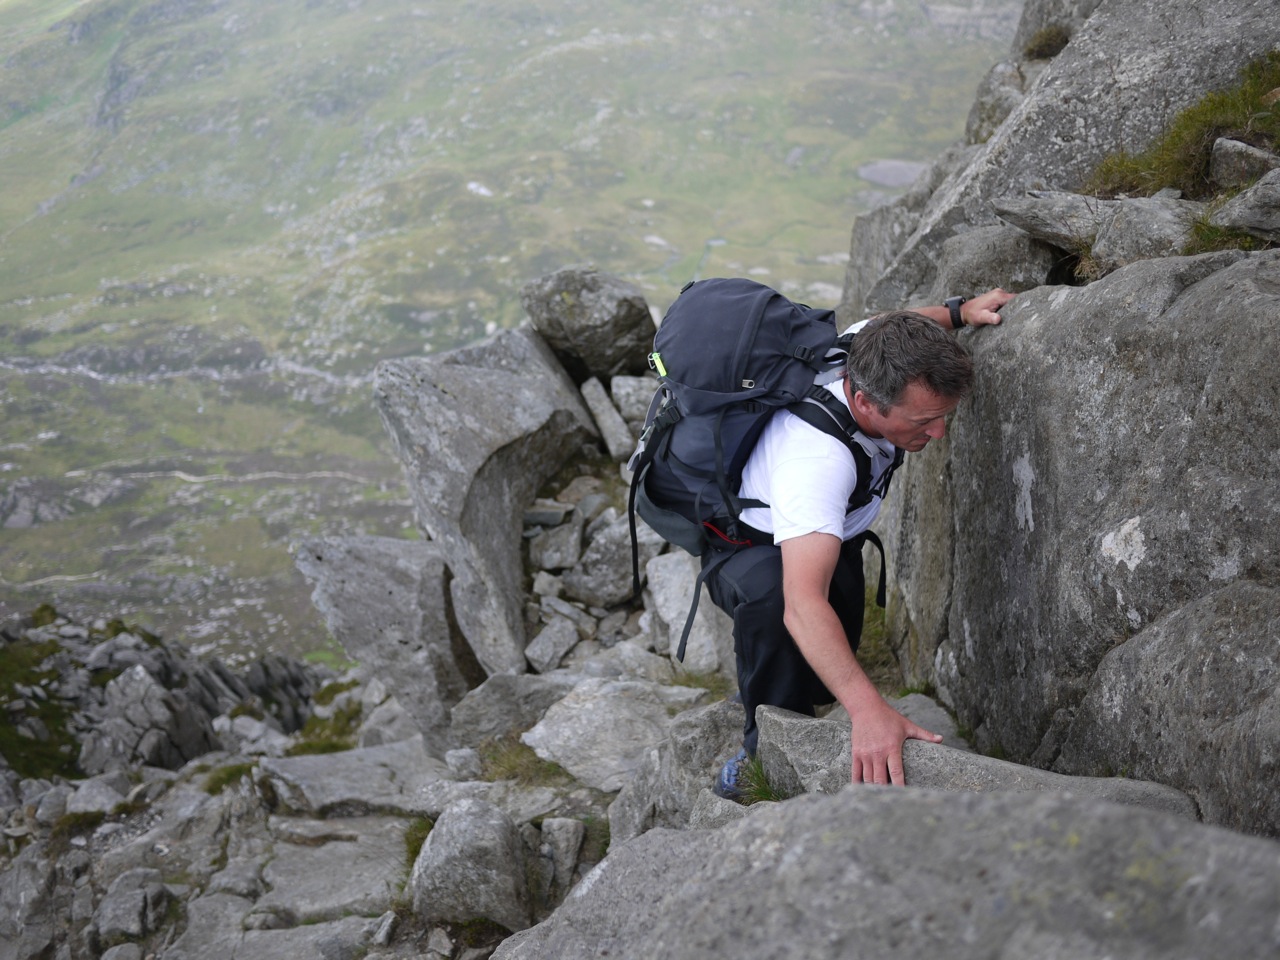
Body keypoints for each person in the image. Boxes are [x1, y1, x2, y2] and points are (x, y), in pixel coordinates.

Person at [709, 288, 1015, 799]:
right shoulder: (817, 465)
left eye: (945, 415)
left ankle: (815, 694)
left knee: (831, 655)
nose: (939, 433)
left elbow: (896, 319)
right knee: (778, 607)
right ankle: (761, 757)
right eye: (923, 421)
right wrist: (869, 711)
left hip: (831, 530)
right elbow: (803, 606)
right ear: (865, 401)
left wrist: (959, 313)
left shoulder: (867, 347)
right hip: (748, 545)